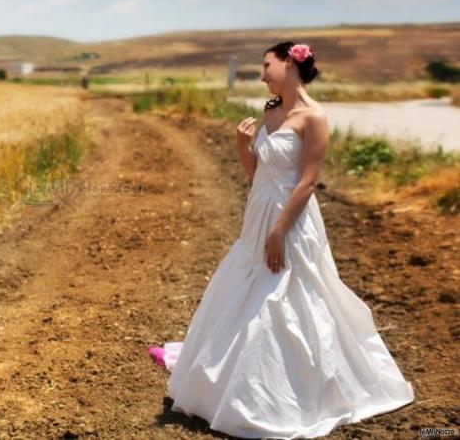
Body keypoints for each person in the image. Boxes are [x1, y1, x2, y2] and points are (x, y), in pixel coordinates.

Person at [147, 42, 414, 438]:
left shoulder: (314, 117)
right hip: (259, 213)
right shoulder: (271, 110)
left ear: (290, 62)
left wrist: (279, 230)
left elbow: (307, 182)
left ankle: (289, 391)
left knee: (288, 293)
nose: (261, 75)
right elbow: (259, 176)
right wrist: (242, 147)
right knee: (250, 289)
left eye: (266, 65)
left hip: (291, 219)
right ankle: (233, 381)